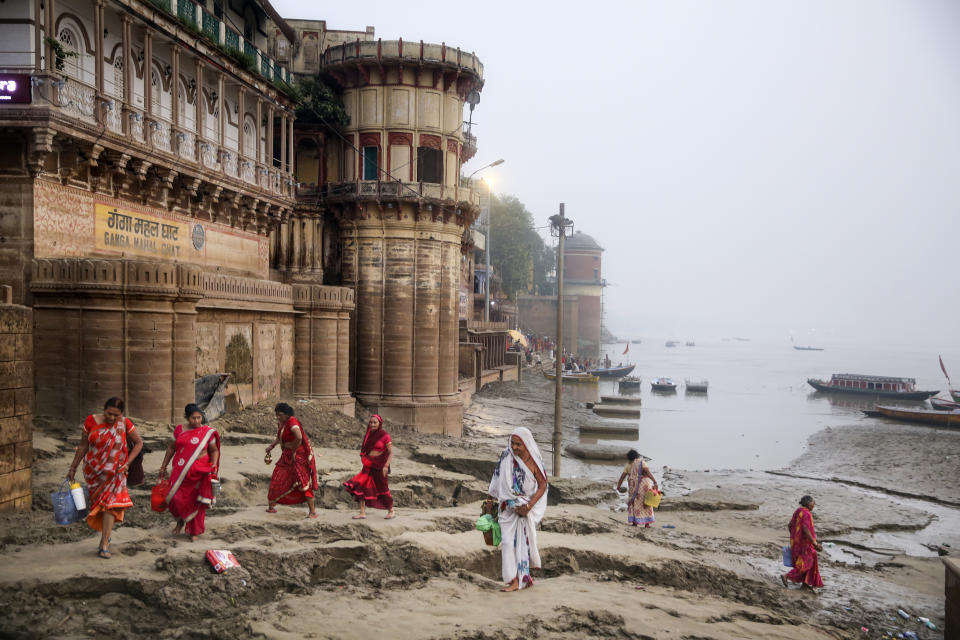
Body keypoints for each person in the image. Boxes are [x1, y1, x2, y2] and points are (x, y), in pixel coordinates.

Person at [66, 397, 143, 559]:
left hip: (117, 472)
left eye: (116, 415)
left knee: (110, 505)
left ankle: (104, 544)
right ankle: (105, 538)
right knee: (99, 505)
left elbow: (138, 443)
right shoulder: (90, 421)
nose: (112, 418)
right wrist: (73, 467)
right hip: (94, 472)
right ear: (104, 409)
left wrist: (128, 463)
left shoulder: (125, 424)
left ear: (121, 414)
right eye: (109, 414)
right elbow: (83, 446)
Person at [487, 427, 548, 592]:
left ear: (526, 444)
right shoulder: (506, 457)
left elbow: (543, 485)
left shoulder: (534, 461)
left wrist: (528, 506)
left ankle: (522, 579)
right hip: (507, 508)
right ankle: (513, 579)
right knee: (507, 542)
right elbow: (496, 479)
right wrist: (489, 503)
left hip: (524, 510)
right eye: (512, 443)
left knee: (522, 544)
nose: (514, 447)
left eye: (518, 444)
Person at [158, 403, 221, 541]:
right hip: (180, 470)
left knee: (195, 500)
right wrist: (163, 466)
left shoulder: (207, 432)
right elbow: (171, 448)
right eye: (193, 418)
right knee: (174, 498)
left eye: (199, 418)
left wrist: (214, 466)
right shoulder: (179, 430)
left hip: (200, 471)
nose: (197, 421)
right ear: (187, 418)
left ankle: (194, 531)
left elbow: (214, 450)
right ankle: (180, 520)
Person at [266, 403, 319, 518]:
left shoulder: (292, 422)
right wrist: (272, 446)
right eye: (276, 415)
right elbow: (279, 436)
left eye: (280, 415)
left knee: (302, 481)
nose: (278, 417)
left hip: (298, 456)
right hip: (286, 455)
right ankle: (271, 505)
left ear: (287, 414)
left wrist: (294, 451)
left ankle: (312, 512)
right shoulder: (282, 423)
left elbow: (299, 437)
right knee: (278, 476)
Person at [343, 414, 395, 519]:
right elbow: (365, 451)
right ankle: (362, 512)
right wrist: (365, 459)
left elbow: (390, 453)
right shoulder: (368, 435)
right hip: (368, 466)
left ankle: (391, 510)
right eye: (371, 422)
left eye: (375, 422)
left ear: (379, 423)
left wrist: (386, 466)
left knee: (383, 488)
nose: (372, 424)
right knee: (361, 486)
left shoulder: (385, 435)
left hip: (380, 466)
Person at [781, 495, 824, 591]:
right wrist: (814, 543)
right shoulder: (806, 513)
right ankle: (786, 576)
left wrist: (795, 536)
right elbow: (805, 528)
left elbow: (790, 525)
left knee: (812, 558)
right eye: (813, 503)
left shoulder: (798, 511)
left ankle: (806, 582)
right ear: (808, 503)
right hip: (805, 544)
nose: (814, 505)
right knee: (805, 563)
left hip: (796, 543)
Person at [615, 450, 658, 527]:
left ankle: (635, 522)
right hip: (644, 486)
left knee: (634, 503)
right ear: (637, 456)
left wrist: (618, 486)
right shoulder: (641, 463)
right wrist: (654, 481)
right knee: (646, 502)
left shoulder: (627, 465)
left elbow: (622, 477)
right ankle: (647, 524)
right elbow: (647, 472)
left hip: (633, 487)